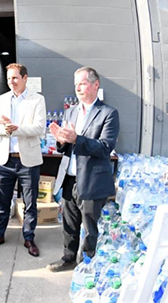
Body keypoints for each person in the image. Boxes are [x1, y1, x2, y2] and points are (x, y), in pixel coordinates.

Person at [46, 67, 120, 272]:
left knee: (89, 227)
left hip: (92, 179)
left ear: (96, 85)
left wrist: (76, 139)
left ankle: (87, 264)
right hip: (69, 177)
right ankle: (68, 258)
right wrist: (60, 141)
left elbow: (105, 147)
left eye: (82, 83)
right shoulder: (71, 111)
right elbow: (65, 146)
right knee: (68, 223)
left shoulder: (109, 113)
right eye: (75, 83)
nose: (78, 87)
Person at [0, 63, 46, 257]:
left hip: (28, 160)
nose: (12, 82)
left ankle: (28, 237)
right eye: (9, 79)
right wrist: (5, 130)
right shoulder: (2, 99)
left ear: (25, 78)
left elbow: (39, 128)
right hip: (5, 160)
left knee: (30, 203)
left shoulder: (37, 100)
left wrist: (16, 128)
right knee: (2, 202)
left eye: (15, 78)